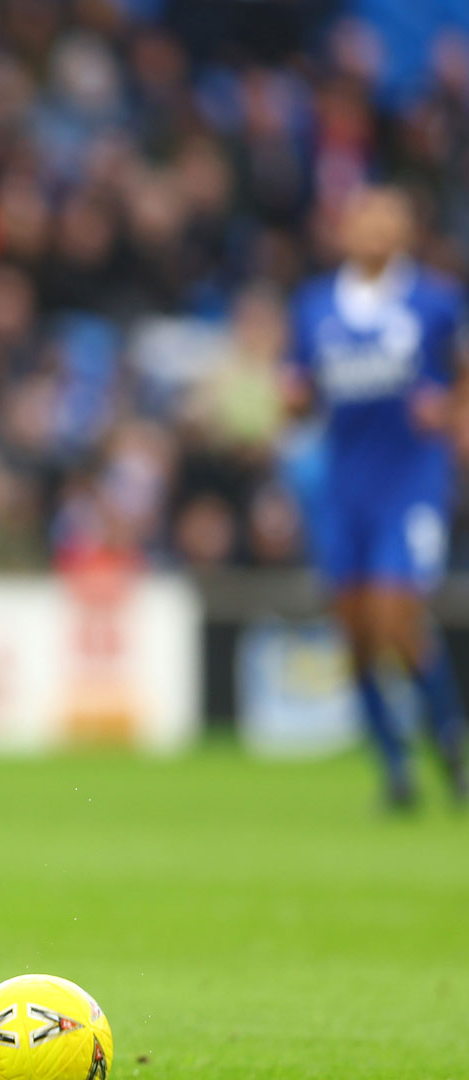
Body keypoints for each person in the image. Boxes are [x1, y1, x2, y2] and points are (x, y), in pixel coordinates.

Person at [283, 185, 468, 810]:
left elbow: (460, 375)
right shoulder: (314, 306)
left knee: (396, 615)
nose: (374, 231)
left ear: (406, 232)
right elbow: (299, 385)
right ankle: (395, 771)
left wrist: (453, 413)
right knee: (356, 634)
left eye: (387, 220)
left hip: (411, 481)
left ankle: (448, 738)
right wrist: (291, 399)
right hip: (344, 484)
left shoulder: (436, 302)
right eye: (363, 219)